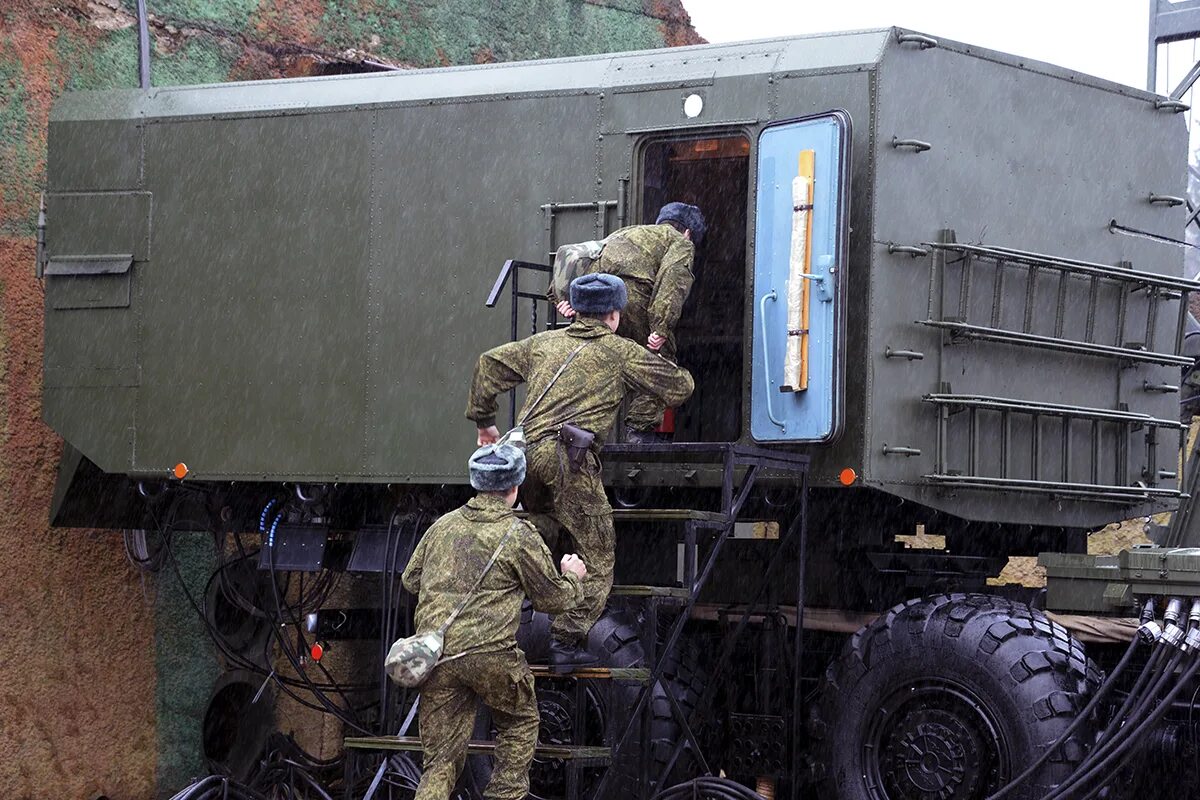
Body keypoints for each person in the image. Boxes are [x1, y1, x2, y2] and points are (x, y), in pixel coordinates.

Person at [467, 273, 695, 669]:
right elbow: (680, 387)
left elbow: (488, 365)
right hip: (566, 461)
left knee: (546, 527)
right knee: (599, 550)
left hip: (526, 461)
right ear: (614, 314)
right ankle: (565, 642)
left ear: (577, 309)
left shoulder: (543, 343)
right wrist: (647, 374)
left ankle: (504, 601)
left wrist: (485, 423)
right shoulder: (619, 352)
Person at [402, 443, 588, 800]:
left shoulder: (442, 528)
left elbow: (411, 580)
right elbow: (555, 599)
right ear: (515, 488)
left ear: (476, 483)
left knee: (440, 763)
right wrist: (573, 576)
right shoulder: (518, 535)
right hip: (491, 658)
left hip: (437, 657)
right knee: (519, 725)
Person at [553, 202, 706, 441]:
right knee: (658, 364)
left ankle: (578, 430)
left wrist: (565, 300)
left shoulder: (627, 232)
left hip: (594, 300)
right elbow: (673, 281)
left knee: (599, 363)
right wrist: (660, 328)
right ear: (688, 231)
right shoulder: (679, 242)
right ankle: (639, 434)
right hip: (630, 298)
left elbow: (582, 259)